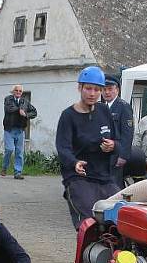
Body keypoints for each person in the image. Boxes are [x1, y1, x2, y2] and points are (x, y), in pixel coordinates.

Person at [55, 66, 119, 229]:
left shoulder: (104, 110)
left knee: (121, 216)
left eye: (97, 89)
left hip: (104, 178)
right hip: (79, 178)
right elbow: (63, 147)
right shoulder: (68, 116)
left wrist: (112, 146)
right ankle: (88, 253)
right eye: (88, 88)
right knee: (90, 223)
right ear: (80, 88)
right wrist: (74, 162)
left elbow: (116, 140)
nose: (92, 93)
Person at [102, 74, 134, 186]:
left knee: (115, 185)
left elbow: (128, 133)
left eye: (110, 89)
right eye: (104, 89)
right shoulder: (102, 107)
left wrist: (123, 156)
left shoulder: (123, 107)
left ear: (117, 90)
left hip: (116, 154)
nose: (107, 92)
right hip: (104, 154)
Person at [1, 84, 36, 179]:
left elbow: (34, 112)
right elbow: (9, 109)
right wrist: (20, 109)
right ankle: (4, 167)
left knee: (19, 152)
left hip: (20, 130)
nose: (18, 92)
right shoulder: (8, 99)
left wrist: (26, 114)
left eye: (20, 91)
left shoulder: (25, 101)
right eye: (16, 90)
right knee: (9, 149)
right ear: (13, 91)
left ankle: (17, 172)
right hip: (9, 129)